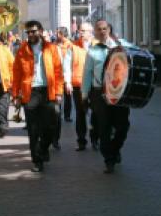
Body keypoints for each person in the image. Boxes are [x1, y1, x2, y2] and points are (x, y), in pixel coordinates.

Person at [13, 20, 63, 172]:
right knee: (33, 129)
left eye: (33, 31)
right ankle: (37, 160)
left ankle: (43, 149)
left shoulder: (51, 48)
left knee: (51, 126)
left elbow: (58, 71)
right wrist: (15, 95)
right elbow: (16, 73)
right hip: (31, 92)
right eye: (28, 32)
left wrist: (59, 92)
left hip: (48, 91)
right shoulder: (22, 50)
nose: (31, 34)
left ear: (41, 31)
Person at [81, 19, 130, 174]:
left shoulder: (121, 47)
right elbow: (87, 74)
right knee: (104, 127)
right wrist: (84, 94)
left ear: (109, 29)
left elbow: (135, 57)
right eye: (98, 29)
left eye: (104, 28)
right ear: (95, 32)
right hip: (99, 93)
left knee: (123, 126)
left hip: (119, 92)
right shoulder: (92, 51)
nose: (102, 31)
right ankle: (109, 159)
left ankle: (115, 150)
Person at [64, 22, 98, 151]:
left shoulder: (98, 46)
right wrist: (67, 82)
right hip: (78, 84)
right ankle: (81, 141)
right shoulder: (73, 47)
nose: (82, 33)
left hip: (95, 85)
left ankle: (95, 139)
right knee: (80, 113)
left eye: (84, 30)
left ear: (91, 32)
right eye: (80, 30)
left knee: (95, 112)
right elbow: (66, 66)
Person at [55, 27, 73, 122]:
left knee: (68, 95)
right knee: (58, 95)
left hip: (67, 73)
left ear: (62, 34)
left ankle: (67, 115)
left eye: (58, 33)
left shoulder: (69, 45)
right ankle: (58, 114)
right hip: (58, 74)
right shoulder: (55, 44)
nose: (56, 35)